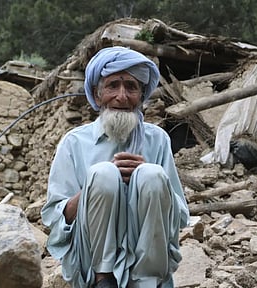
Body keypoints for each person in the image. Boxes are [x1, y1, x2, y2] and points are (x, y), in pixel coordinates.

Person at [41, 46, 190, 288]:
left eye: (131, 87)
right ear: (97, 95)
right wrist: (94, 187)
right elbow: (56, 217)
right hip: (90, 261)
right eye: (112, 86)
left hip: (150, 263)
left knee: (151, 174)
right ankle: (104, 277)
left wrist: (154, 181)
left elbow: (181, 217)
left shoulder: (158, 140)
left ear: (141, 96)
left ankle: (147, 281)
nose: (122, 96)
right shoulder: (74, 142)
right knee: (103, 173)